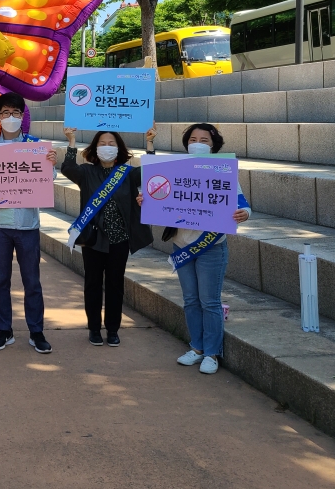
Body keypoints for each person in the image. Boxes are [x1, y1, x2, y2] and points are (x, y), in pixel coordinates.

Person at [153, 123, 251, 375]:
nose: (198, 143)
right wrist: (147, 200)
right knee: (190, 300)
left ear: (213, 145)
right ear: (186, 143)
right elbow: (157, 194)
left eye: (204, 140)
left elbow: (242, 203)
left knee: (209, 302)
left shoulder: (222, 171)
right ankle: (196, 348)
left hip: (211, 246)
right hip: (182, 244)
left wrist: (244, 213)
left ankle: (212, 353)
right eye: (193, 139)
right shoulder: (174, 170)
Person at [61, 126, 154, 348]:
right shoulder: (86, 172)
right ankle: (94, 328)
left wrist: (149, 143)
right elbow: (67, 168)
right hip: (93, 240)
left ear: (119, 148)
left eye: (111, 144)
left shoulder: (128, 173)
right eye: (102, 143)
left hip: (119, 239)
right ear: (95, 148)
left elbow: (150, 173)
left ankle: (113, 330)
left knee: (115, 284)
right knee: (92, 284)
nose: (107, 147)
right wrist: (71, 140)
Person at [0, 92, 59, 354]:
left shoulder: (37, 147)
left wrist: (50, 164)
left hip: (27, 225)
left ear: (22, 115)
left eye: (16, 112)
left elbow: (48, 180)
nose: (10, 117)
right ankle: (5, 330)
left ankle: (36, 331)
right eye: (5, 113)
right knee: (0, 280)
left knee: (32, 282)